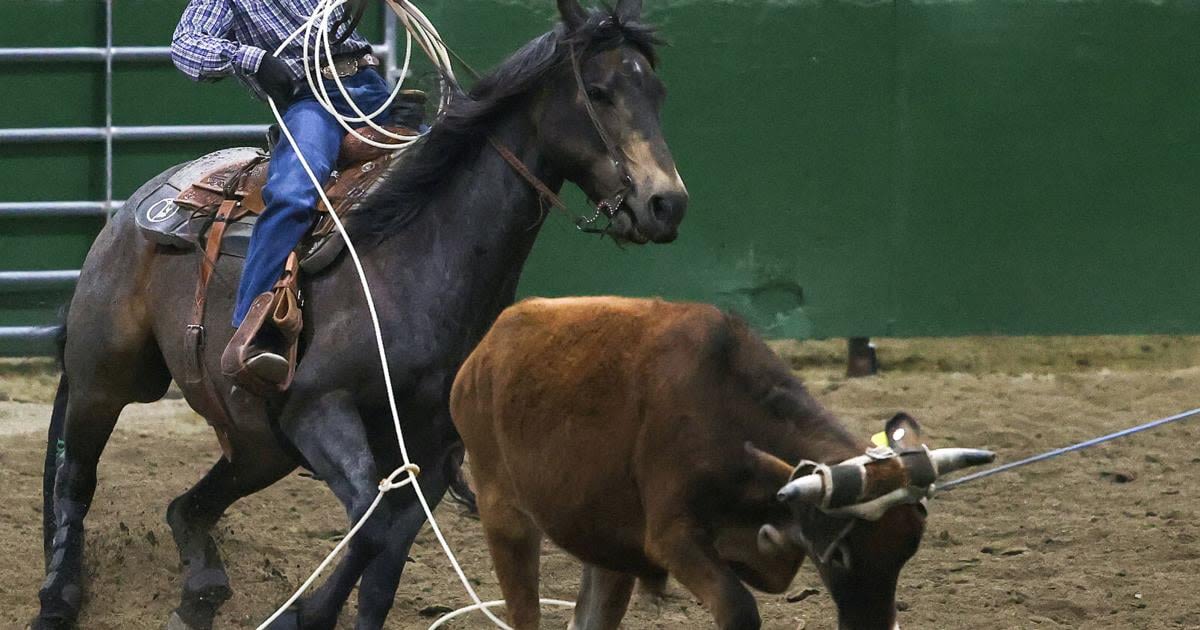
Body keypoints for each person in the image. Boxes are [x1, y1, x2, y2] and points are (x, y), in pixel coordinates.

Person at [171, 0, 395, 387]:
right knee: (292, 194)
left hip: (372, 85)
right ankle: (252, 329)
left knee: (454, 163)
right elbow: (186, 45)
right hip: (313, 99)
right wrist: (250, 58)